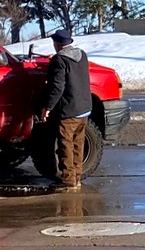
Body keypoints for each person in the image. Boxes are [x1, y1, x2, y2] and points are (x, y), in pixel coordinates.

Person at [38, 28, 92, 189]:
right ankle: (77, 177)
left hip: (68, 110)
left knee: (65, 146)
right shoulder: (81, 55)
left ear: (58, 44)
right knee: (78, 144)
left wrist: (48, 106)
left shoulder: (59, 60)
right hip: (84, 108)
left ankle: (68, 181)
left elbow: (57, 87)